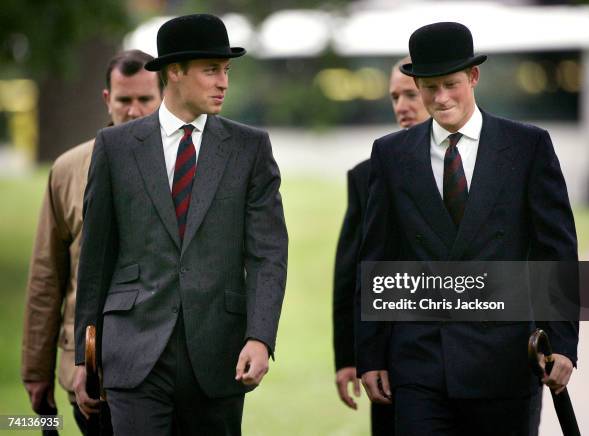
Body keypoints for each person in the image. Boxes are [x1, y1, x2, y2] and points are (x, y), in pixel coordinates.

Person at [356, 22, 579, 435]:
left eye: (451, 84)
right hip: (420, 364)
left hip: (506, 364)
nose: (441, 98)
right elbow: (378, 257)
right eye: (429, 86)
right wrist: (369, 355)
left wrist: (563, 343)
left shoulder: (529, 147)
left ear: (473, 77)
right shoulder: (390, 154)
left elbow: (557, 249)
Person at [73, 14, 288, 436]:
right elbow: (95, 259)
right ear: (174, 71)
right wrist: (85, 356)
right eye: (211, 70)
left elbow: (268, 254)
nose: (223, 82)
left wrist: (260, 337)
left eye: (226, 71)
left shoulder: (250, 148)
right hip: (132, 351)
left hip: (218, 354)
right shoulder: (115, 148)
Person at [21, 49, 162, 434]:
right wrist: (37, 370)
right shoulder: (67, 170)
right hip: (87, 367)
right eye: (124, 100)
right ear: (107, 99)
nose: (134, 111)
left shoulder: (179, 166)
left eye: (144, 100)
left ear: (162, 96)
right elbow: (47, 274)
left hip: (160, 366)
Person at [333, 56, 429, 436]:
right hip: (394, 358)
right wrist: (348, 358)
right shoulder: (366, 176)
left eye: (410, 94)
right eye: (394, 96)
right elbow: (351, 273)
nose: (402, 106)